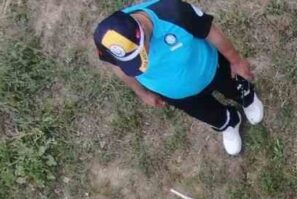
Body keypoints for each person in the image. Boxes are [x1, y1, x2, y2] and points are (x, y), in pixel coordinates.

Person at [94, 1, 261, 156]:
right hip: (176, 95)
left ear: (142, 30)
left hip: (211, 69)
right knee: (207, 113)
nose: (136, 65)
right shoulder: (108, 42)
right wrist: (142, 93)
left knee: (233, 85)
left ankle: (246, 97)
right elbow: (119, 68)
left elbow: (211, 32)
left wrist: (235, 60)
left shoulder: (174, 13)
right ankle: (229, 122)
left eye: (138, 55)